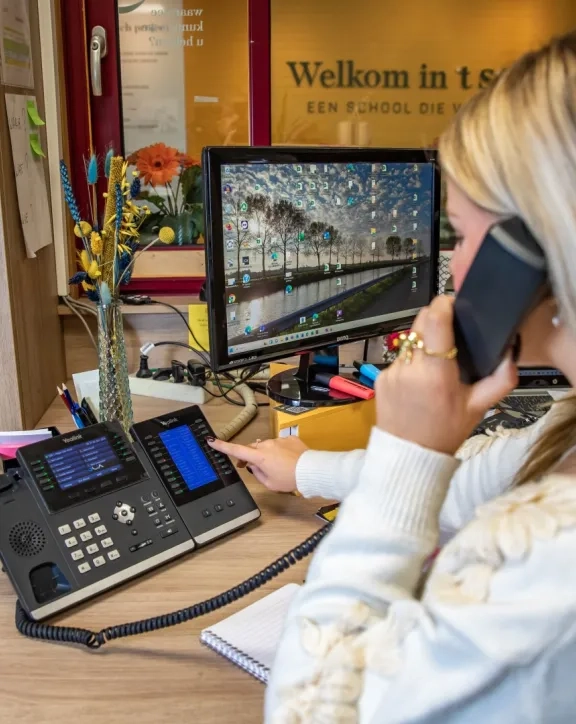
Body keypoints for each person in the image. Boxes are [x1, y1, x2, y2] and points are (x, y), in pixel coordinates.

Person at [209, 31, 576, 722]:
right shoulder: (565, 429)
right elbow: (471, 485)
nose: (453, 270)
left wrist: (407, 448)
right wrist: (310, 468)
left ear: (532, 257)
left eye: (463, 238)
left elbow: (311, 712)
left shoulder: (551, 563)